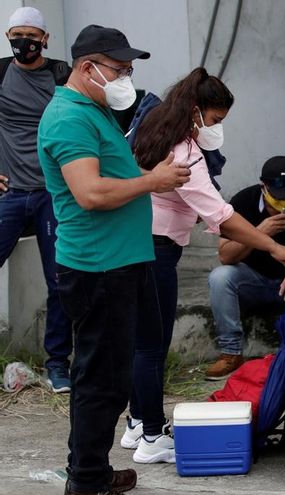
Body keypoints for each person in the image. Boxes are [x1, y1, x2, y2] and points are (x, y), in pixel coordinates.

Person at [37, 25, 191, 495]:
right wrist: (154, 181)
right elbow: (90, 192)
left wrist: (148, 175)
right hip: (99, 268)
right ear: (88, 68)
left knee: (110, 373)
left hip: (122, 262)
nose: (127, 77)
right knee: (100, 379)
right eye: (119, 68)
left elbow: (113, 172)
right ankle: (86, 480)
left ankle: (93, 470)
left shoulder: (95, 109)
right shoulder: (69, 118)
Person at [119, 69, 285, 463]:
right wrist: (270, 244)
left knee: (141, 343)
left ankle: (136, 423)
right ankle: (151, 436)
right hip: (155, 251)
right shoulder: (183, 151)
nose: (217, 130)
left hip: (139, 244)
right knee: (152, 345)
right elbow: (220, 215)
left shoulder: (154, 131)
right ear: (196, 113)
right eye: (216, 121)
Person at [0, 6, 73, 393]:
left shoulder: (62, 76)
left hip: (53, 195)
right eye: (15, 36)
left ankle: (57, 363)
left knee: (60, 278)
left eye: (30, 36)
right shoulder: (0, 73)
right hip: (11, 194)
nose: (22, 43)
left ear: (45, 39)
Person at [206, 156, 285, 380]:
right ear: (263, 187)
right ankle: (231, 352)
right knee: (221, 277)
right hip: (254, 280)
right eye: (279, 197)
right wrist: (259, 233)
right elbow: (225, 256)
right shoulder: (242, 202)